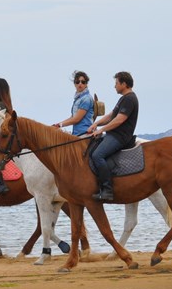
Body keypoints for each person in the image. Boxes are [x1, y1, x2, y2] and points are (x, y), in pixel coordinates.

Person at [86, 71, 138, 202]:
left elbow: (119, 120)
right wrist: (96, 124)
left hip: (120, 136)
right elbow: (111, 116)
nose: (114, 86)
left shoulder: (130, 98)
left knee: (97, 155)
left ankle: (107, 190)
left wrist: (101, 130)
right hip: (113, 134)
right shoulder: (123, 99)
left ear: (124, 84)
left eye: (116, 83)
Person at [53, 71, 94, 135]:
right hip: (77, 134)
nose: (80, 84)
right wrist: (57, 124)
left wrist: (60, 125)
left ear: (86, 84)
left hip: (85, 133)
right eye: (77, 82)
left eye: (83, 82)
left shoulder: (86, 99)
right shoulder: (78, 99)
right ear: (74, 84)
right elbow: (73, 117)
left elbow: (76, 119)